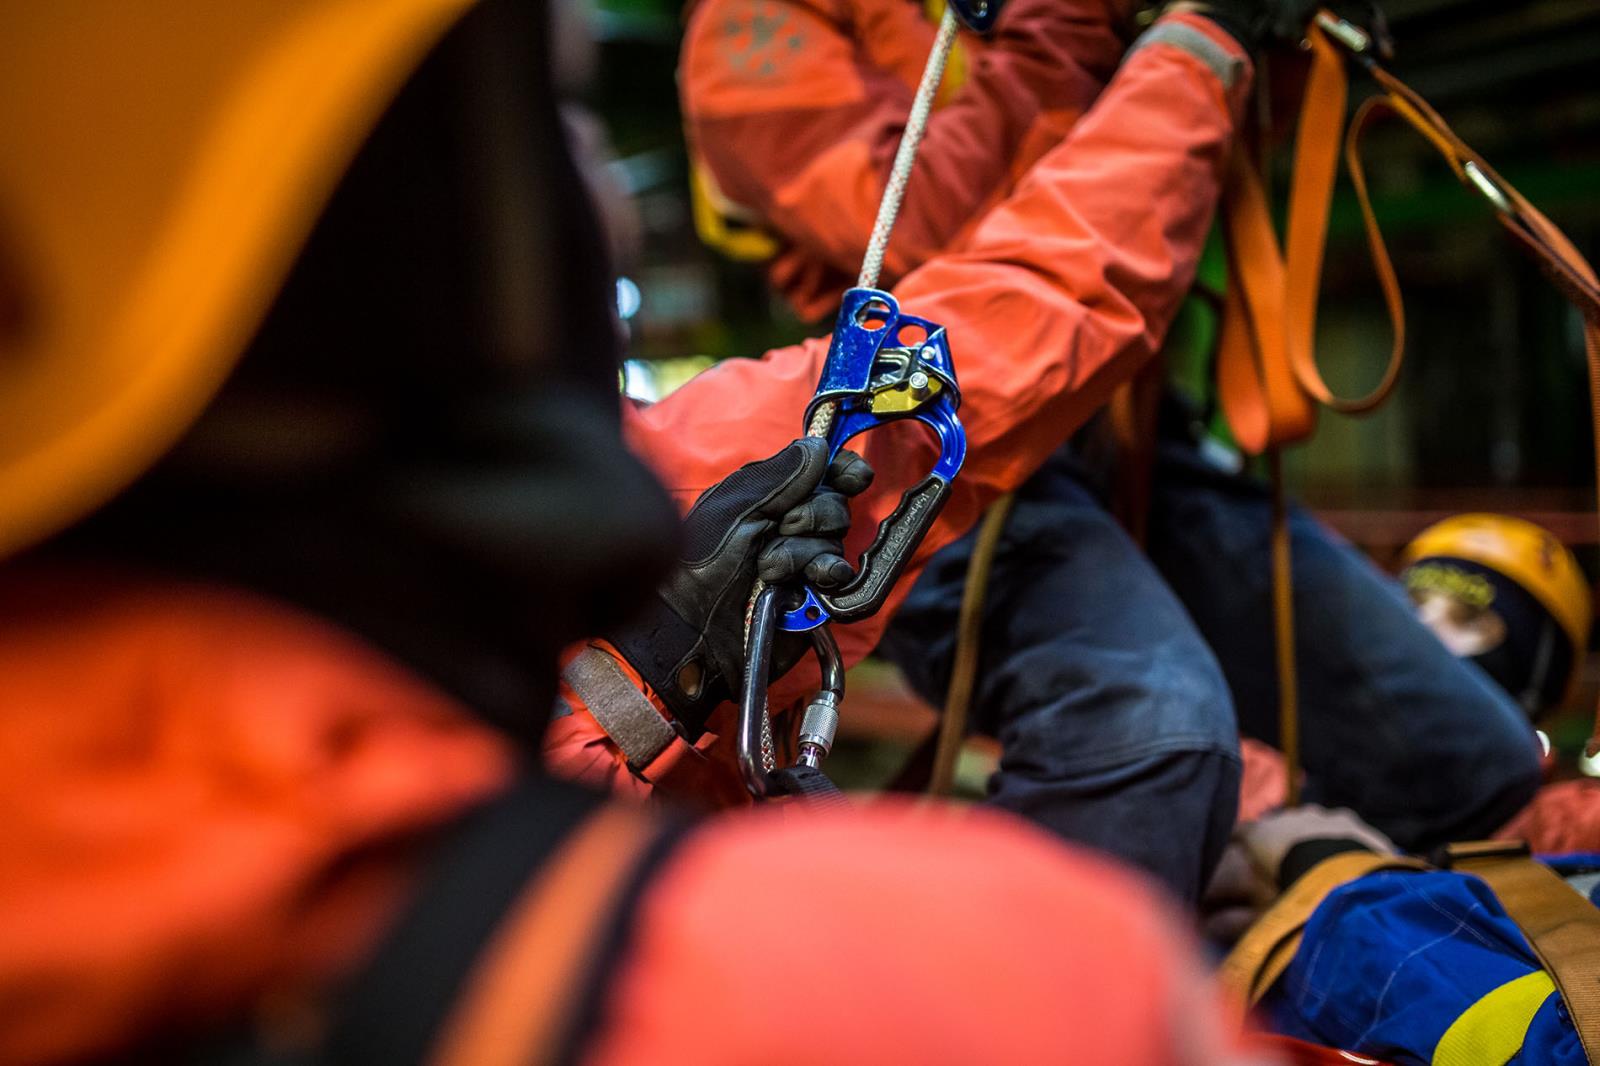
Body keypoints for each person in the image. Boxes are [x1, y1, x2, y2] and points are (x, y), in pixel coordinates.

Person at [0, 3, 1280, 1064]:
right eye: (557, 120)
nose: (604, 197)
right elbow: (1018, 307)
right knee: (1157, 725)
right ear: (432, 214)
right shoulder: (990, 985)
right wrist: (1199, 48)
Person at [673, 0, 1544, 901]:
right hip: (923, 454)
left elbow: (1188, 158)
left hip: (1125, 439)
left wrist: (1256, 42)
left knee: (1472, 763)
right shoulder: (753, 24)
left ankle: (1295, 911)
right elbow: (920, 220)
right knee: (1148, 738)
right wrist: (1077, 20)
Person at [544, 0, 1277, 834]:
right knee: (1150, 731)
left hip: (1106, 416)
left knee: (1430, 736)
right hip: (962, 432)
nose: (598, 171)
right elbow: (936, 231)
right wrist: (1102, 31)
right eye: (563, 125)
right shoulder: (749, 31)